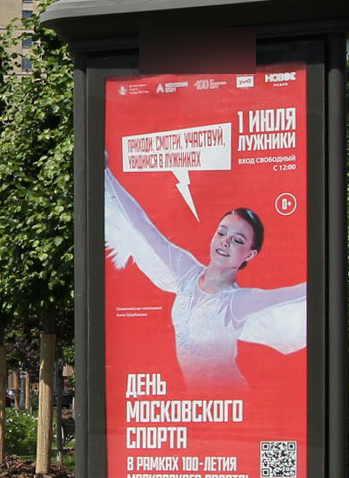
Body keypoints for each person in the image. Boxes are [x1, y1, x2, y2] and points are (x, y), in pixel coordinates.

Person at [103, 167, 305, 393]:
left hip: (232, 402)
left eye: (238, 240)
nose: (225, 242)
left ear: (249, 255)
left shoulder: (238, 301)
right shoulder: (187, 274)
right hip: (199, 404)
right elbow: (146, 230)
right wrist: (106, 175)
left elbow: (296, 296)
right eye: (221, 233)